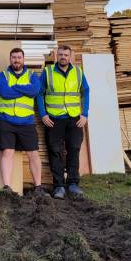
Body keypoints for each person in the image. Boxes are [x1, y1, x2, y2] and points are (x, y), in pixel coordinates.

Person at [37, 44, 90, 199]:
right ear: (56, 56)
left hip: (74, 118)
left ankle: (73, 184)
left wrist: (84, 113)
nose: (63, 57)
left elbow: (85, 91)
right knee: (55, 152)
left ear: (70, 56)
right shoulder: (47, 72)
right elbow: (39, 94)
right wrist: (43, 115)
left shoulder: (78, 72)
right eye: (60, 54)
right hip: (53, 119)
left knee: (74, 149)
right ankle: (59, 186)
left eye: (66, 55)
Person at [0, 47, 48, 197]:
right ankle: (7, 187)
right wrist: (25, 89)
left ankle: (38, 187)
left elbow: (35, 91)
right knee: (7, 152)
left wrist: (16, 87)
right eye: (14, 57)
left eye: (19, 57)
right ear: (10, 59)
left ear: (23, 59)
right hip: (6, 120)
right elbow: (4, 93)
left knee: (33, 153)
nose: (16, 60)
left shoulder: (32, 75)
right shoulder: (2, 75)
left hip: (26, 122)